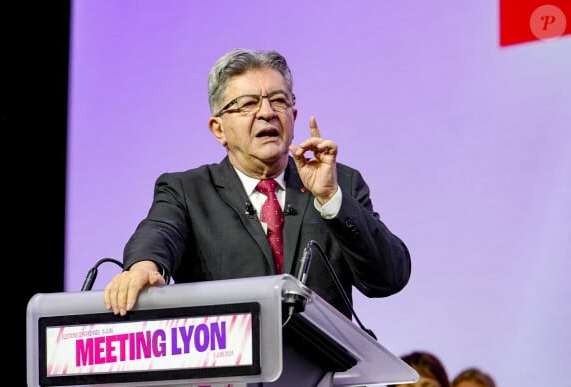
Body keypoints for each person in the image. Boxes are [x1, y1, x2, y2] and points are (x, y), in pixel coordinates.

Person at [103, 48, 411, 320]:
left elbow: (389, 277)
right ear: (219, 128)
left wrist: (331, 199)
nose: (267, 113)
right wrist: (144, 267)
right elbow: (160, 232)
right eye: (248, 103)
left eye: (279, 101)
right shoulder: (187, 191)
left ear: (293, 115)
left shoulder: (339, 183)